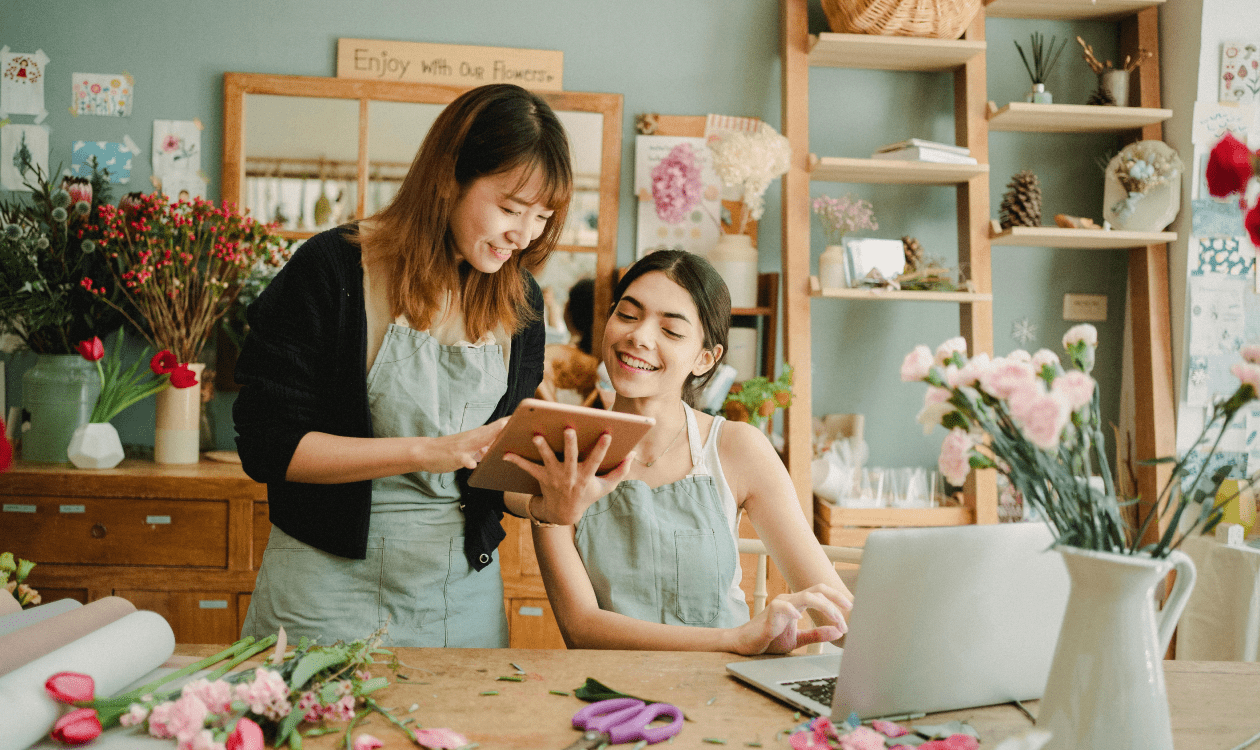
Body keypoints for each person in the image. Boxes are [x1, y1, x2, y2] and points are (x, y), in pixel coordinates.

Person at [233, 83, 579, 648]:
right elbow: (268, 445)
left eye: (542, 216)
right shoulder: (332, 269)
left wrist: (548, 496)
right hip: (322, 588)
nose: (525, 235)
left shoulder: (521, 300)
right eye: (510, 209)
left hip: (459, 592)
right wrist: (432, 451)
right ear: (447, 180)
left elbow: (500, 473)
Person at [508, 250, 853, 654]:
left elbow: (836, 613)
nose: (639, 337)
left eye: (671, 331)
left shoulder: (736, 448)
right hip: (608, 702)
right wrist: (736, 638)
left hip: (724, 691)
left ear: (705, 358)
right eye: (628, 314)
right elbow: (581, 627)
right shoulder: (560, 451)